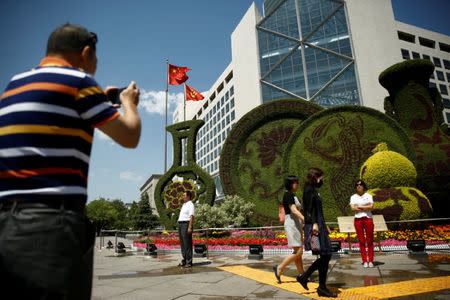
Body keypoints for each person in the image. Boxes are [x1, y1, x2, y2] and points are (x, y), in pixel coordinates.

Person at [0, 23, 141, 300]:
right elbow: (129, 136)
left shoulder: (14, 84)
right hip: (51, 227)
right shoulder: (78, 82)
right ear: (86, 53)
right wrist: (129, 103)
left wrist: (98, 100)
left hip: (6, 224)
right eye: (96, 58)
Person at [296, 168, 336, 298]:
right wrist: (314, 223)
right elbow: (308, 210)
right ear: (315, 177)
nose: (322, 180)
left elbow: (318, 210)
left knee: (326, 256)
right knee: (325, 255)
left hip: (319, 225)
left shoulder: (313, 190)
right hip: (314, 225)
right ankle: (319, 286)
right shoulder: (308, 190)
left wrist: (325, 225)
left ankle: (312, 281)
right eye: (321, 177)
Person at [273, 176, 305, 283]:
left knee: (298, 252)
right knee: (299, 251)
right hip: (292, 224)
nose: (298, 184)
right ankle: (279, 268)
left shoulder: (292, 195)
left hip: (296, 224)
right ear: (291, 184)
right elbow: (294, 210)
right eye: (296, 182)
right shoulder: (288, 194)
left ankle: (302, 275)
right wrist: (305, 219)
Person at [350, 180, 375, 268]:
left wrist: (360, 207)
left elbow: (371, 207)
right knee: (361, 241)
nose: (359, 186)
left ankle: (371, 260)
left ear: (363, 186)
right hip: (358, 220)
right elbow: (353, 208)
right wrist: (366, 207)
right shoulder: (353, 197)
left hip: (368, 219)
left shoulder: (369, 195)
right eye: (357, 185)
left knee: (370, 240)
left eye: (360, 184)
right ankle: (364, 260)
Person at [178, 191, 195, 268]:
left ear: (188, 196)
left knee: (187, 243)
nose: (182, 196)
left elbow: (191, 216)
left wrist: (190, 227)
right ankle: (184, 259)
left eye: (184, 195)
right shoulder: (184, 204)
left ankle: (189, 261)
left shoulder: (190, 204)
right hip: (181, 224)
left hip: (186, 224)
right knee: (182, 243)